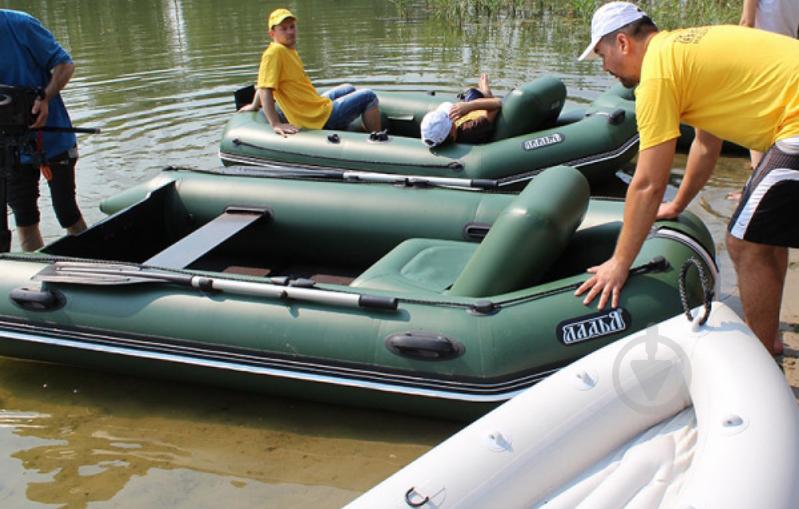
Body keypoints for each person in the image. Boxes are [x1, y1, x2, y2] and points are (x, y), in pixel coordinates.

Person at [573, 2, 799, 356]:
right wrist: (678, 204)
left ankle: (761, 357)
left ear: (623, 42)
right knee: (763, 231)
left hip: (795, 124)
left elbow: (648, 183)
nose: (605, 68)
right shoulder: (682, 52)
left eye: (602, 55)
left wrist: (619, 263)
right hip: (790, 122)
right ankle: (768, 338)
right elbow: (706, 146)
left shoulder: (657, 74)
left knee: (742, 242)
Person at [0, 9, 86, 252]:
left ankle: (94, 263)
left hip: (52, 138)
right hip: (9, 146)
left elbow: (65, 65)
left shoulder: (21, 25)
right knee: (24, 219)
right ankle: (37, 281)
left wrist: (45, 98)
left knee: (67, 212)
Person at [240, 8, 381, 137]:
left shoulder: (287, 50)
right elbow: (265, 89)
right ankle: (376, 138)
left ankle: (359, 128)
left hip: (313, 108)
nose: (290, 31)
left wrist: (253, 105)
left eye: (292, 27)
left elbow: (263, 82)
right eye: (283, 29)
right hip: (313, 120)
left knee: (348, 88)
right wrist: (275, 124)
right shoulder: (275, 53)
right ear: (272, 33)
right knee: (369, 96)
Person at [737, 0, 799, 174]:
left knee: (755, 115)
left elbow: (746, 22)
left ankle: (757, 176)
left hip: (761, 53)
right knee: (777, 117)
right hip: (788, 54)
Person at [420, 73, 502, 147]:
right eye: (450, 119)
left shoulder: (447, 136)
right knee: (476, 94)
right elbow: (497, 104)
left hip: (468, 116)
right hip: (483, 111)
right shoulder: (470, 130)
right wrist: (470, 105)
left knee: (472, 93)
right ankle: (485, 93)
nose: (452, 118)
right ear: (452, 132)